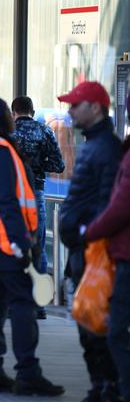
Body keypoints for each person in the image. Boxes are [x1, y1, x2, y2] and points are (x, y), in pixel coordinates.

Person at [0, 95, 64, 396]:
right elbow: (6, 200)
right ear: (1, 117)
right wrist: (22, 242)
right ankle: (28, 373)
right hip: (6, 243)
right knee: (23, 305)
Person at [58, 81, 121, 401]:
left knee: (95, 321)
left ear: (95, 108)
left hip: (93, 250)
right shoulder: (98, 145)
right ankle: (101, 385)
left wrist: (84, 231)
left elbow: (109, 201)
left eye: (75, 105)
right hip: (84, 248)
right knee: (88, 321)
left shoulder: (105, 148)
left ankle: (107, 386)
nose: (70, 111)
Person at [84, 90, 130, 402]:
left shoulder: (115, 150)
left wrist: (91, 230)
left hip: (125, 254)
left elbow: (120, 204)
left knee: (115, 333)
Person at [11, 96, 65, 319]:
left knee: (12, 247)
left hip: (11, 195)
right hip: (36, 193)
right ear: (32, 111)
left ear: (13, 112)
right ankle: (39, 304)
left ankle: (14, 303)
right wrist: (38, 165)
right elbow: (59, 165)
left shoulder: (7, 133)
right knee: (38, 247)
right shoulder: (45, 131)